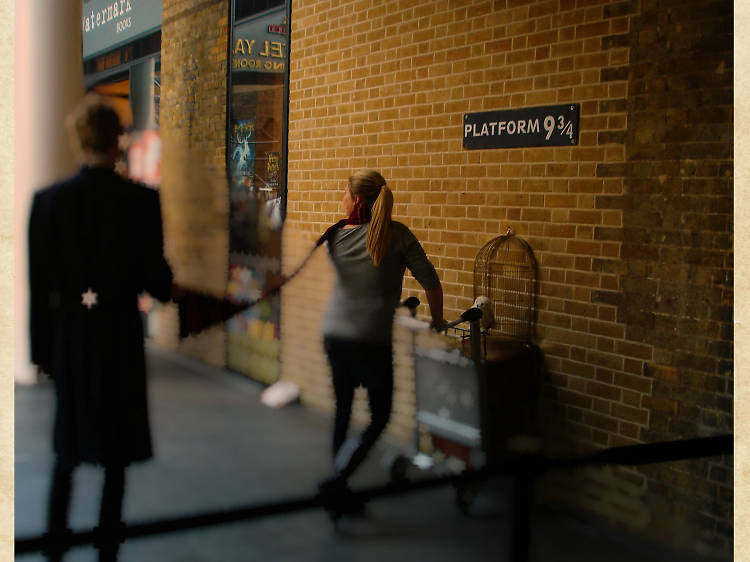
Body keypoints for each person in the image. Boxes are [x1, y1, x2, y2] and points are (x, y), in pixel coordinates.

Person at [28, 94, 173, 561]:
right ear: (118, 141)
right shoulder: (141, 202)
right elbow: (158, 281)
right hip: (119, 339)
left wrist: (41, 352)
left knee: (66, 451)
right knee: (115, 458)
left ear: (77, 140)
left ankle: (54, 548)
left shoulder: (47, 203)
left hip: (70, 339)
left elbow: (38, 289)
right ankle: (106, 551)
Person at [318, 169, 445, 517]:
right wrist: (436, 319)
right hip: (371, 339)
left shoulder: (335, 237)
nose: (342, 199)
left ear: (357, 200)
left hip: (335, 334)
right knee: (380, 415)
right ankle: (339, 480)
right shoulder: (398, 236)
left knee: (343, 409)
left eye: (345, 193)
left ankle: (338, 486)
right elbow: (431, 282)